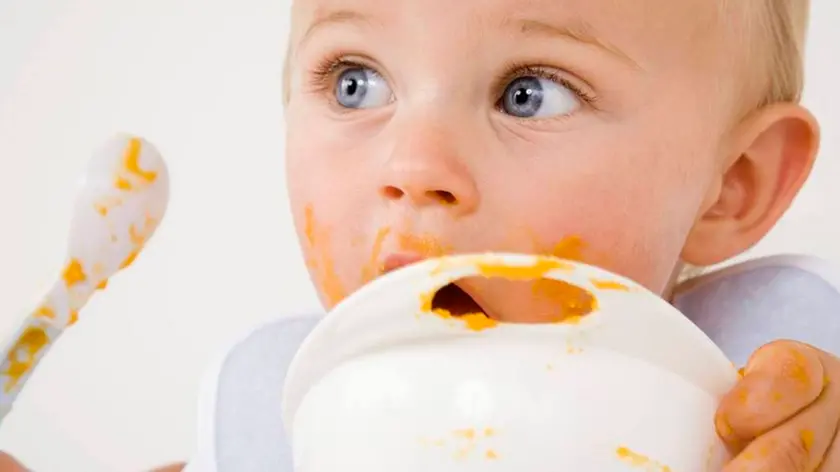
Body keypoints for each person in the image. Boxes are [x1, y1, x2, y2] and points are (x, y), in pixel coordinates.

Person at [5, 0, 840, 470]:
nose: (414, 166)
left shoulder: (774, 406)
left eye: (529, 93)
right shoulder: (268, 426)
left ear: (733, 183)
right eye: (355, 81)